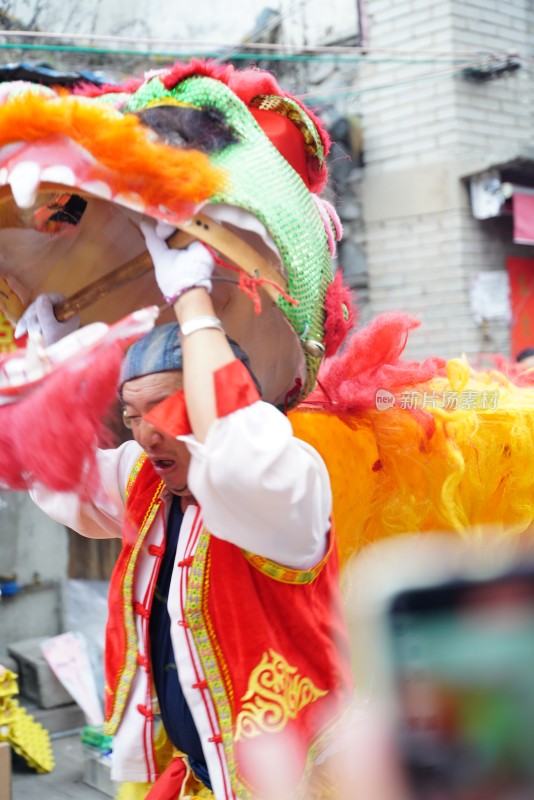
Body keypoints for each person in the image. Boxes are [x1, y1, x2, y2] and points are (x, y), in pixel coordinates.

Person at [26, 222, 354, 800]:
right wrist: (54, 367)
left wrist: (194, 301)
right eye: (133, 415)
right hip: (200, 777)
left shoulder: (287, 476)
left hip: (303, 782)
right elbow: (61, 478)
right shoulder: (144, 480)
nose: (146, 433)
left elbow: (234, 455)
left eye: (166, 407)